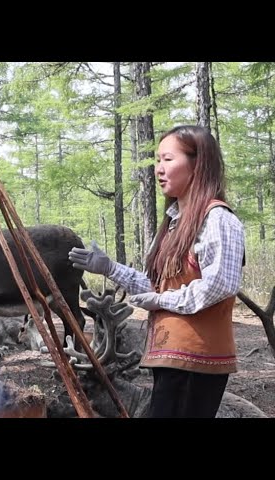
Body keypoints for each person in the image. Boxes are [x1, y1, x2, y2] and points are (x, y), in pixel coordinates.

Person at [68, 125, 245, 418]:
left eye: (168, 159)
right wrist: (109, 267)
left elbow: (220, 285)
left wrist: (161, 302)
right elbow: (156, 286)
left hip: (199, 359)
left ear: (197, 164)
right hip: (170, 357)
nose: (159, 170)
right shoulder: (174, 223)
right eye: (157, 161)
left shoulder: (217, 219)